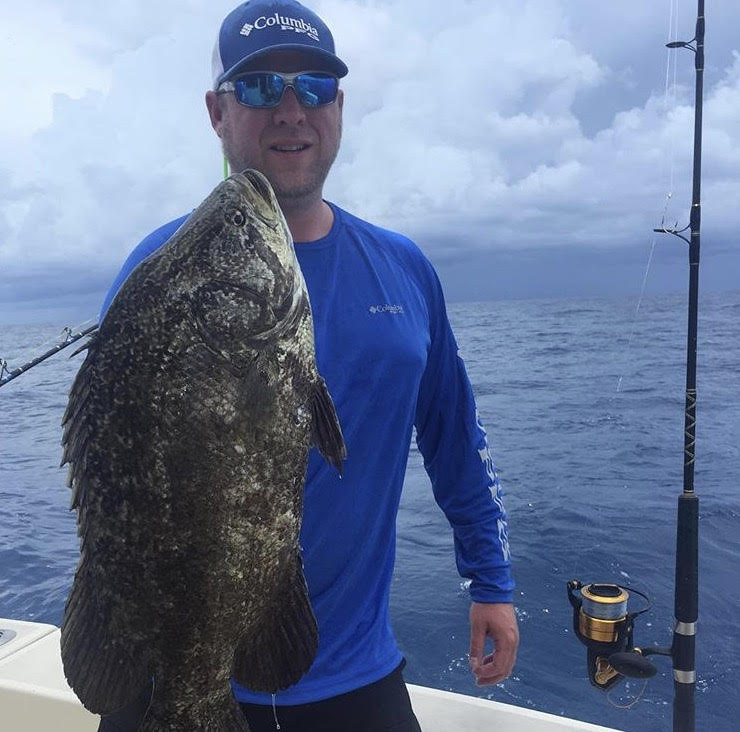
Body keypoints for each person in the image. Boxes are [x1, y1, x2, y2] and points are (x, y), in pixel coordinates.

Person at [99, 1, 518, 730]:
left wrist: (491, 578)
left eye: (314, 87)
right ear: (217, 113)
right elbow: (110, 479)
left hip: (350, 670)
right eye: (260, 88)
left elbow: (455, 437)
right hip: (173, 663)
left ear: (339, 107)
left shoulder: (405, 270)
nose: (291, 109)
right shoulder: (156, 272)